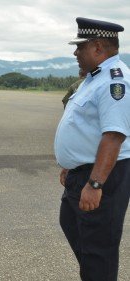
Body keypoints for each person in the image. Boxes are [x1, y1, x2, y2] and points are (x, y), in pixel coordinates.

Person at [55, 17, 130, 281]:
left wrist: (95, 184)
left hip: (101, 177)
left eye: (80, 46)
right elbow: (85, 127)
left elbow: (113, 136)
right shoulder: (93, 78)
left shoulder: (114, 81)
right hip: (81, 173)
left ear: (98, 47)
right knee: (79, 235)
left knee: (98, 252)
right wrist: (71, 164)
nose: (75, 52)